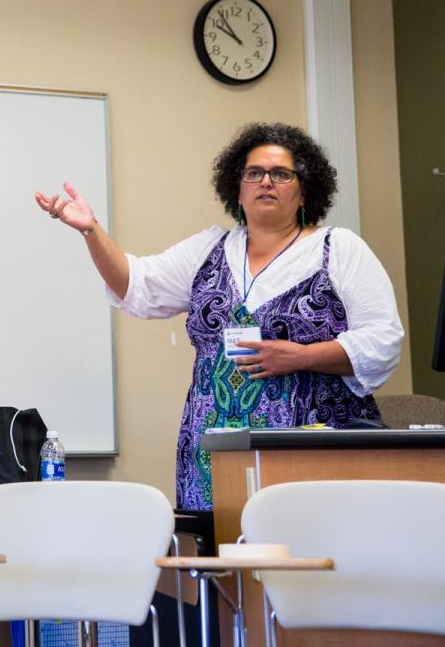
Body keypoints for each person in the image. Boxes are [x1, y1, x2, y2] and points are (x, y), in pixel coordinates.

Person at [35, 122, 404, 510]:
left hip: (310, 451)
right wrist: (90, 230)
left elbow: (382, 340)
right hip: (214, 452)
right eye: (254, 173)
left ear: (304, 190)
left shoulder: (339, 248)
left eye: (281, 174)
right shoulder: (209, 248)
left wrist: (301, 357)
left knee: (303, 556)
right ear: (237, 188)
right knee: (220, 561)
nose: (266, 182)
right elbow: (135, 285)